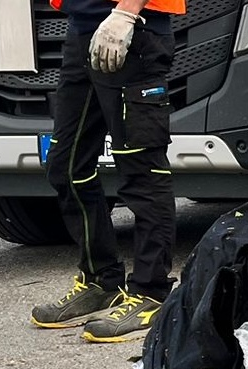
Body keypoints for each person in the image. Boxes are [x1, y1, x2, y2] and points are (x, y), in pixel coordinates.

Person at [30, 0, 180, 343]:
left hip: (133, 30)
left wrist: (126, 13)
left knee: (143, 173)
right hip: (83, 28)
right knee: (66, 166)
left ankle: (151, 293)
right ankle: (101, 282)